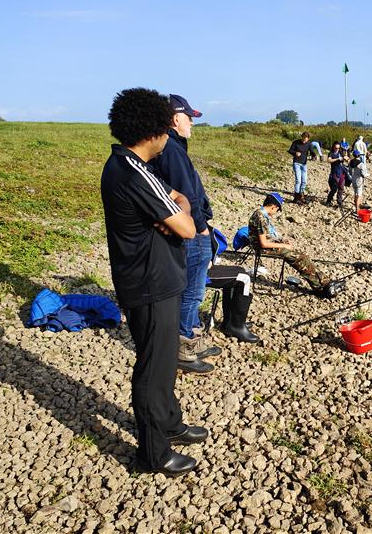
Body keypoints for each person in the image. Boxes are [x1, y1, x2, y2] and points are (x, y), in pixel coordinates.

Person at [101, 87, 206, 477]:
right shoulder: (134, 172)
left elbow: (176, 205)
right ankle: (153, 452)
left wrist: (177, 209)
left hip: (155, 279)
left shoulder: (128, 165)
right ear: (154, 131)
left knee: (163, 362)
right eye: (165, 129)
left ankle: (170, 422)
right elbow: (187, 228)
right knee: (153, 368)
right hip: (149, 283)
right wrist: (180, 211)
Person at [152, 94, 220, 375]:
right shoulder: (172, 149)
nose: (192, 123)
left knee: (195, 289)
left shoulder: (173, 147)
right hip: (191, 230)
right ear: (175, 119)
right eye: (189, 117)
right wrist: (201, 227)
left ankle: (193, 337)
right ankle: (183, 347)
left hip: (191, 226)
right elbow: (186, 194)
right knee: (192, 290)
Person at [248, 193, 341, 298]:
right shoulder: (261, 217)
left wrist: (282, 240)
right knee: (300, 258)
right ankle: (322, 286)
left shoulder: (260, 214)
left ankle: (323, 284)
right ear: (273, 207)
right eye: (277, 210)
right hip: (263, 249)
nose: (276, 213)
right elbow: (263, 243)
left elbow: (269, 235)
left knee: (302, 258)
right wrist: (283, 246)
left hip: (268, 246)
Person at [288, 132, 311, 204]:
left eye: (306, 140)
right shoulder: (296, 142)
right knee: (298, 180)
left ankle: (301, 195)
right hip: (296, 163)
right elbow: (290, 150)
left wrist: (314, 156)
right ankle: (296, 197)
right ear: (302, 137)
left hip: (304, 164)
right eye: (303, 139)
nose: (304, 141)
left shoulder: (308, 144)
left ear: (308, 139)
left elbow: (312, 151)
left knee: (304, 181)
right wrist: (295, 153)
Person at [326, 141, 347, 209]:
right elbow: (329, 160)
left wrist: (346, 158)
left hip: (342, 172)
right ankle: (328, 201)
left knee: (341, 188)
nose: (337, 149)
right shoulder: (331, 153)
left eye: (338, 148)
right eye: (336, 148)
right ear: (333, 147)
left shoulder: (341, 152)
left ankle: (339, 202)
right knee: (334, 188)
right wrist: (338, 159)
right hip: (335, 172)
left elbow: (347, 158)